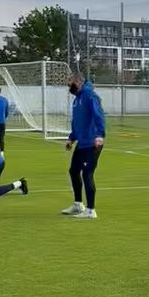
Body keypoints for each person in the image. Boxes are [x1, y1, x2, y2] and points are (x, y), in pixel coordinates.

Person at [61, 74, 106, 219]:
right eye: (68, 85)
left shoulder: (90, 96)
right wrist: (71, 138)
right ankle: (78, 204)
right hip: (81, 143)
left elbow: (98, 115)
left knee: (87, 174)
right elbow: (77, 122)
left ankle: (91, 210)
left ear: (79, 82)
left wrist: (100, 135)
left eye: (71, 84)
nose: (70, 88)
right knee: (73, 171)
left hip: (92, 142)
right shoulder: (77, 100)